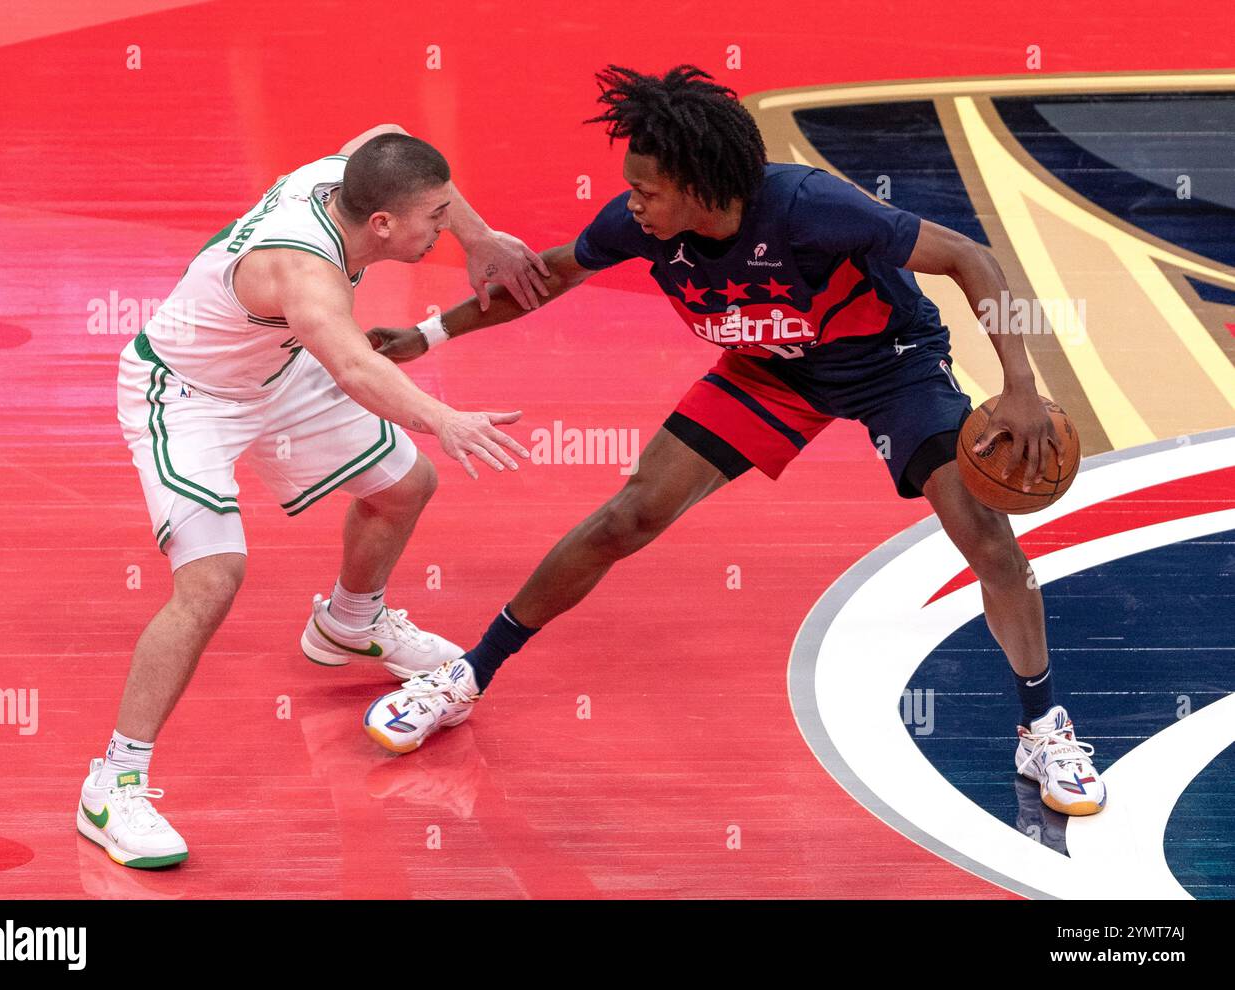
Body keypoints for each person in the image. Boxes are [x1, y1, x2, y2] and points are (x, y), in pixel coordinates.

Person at [362, 67, 1106, 820]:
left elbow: (968, 256)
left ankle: (1043, 725)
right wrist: (429, 334)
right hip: (770, 373)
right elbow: (549, 276)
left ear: (699, 185)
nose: (632, 202)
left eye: (648, 190)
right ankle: (465, 677)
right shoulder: (638, 225)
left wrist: (1018, 383)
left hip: (891, 366)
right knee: (628, 516)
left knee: (986, 537)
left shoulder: (810, 206)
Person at [78, 124, 549, 869]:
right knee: (210, 581)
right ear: (384, 224)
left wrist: (480, 237)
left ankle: (348, 625)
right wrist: (446, 420)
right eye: (437, 218)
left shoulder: (352, 176)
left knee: (404, 485)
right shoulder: (303, 272)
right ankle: (115, 784)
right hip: (189, 398)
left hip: (279, 371)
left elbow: (394, 136)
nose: (443, 227)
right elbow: (360, 372)